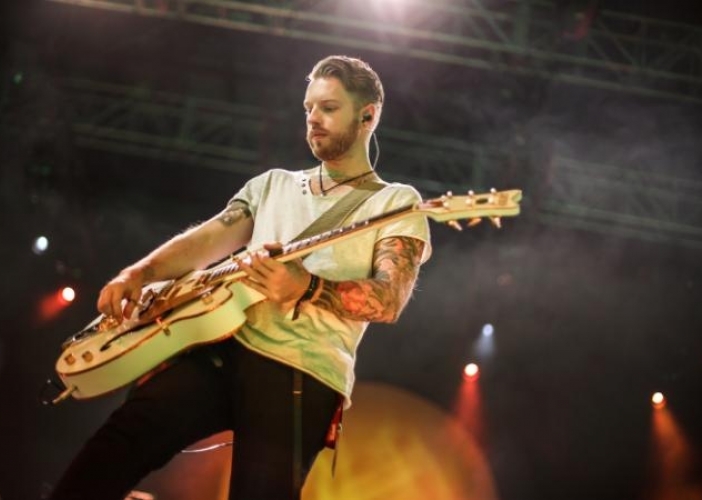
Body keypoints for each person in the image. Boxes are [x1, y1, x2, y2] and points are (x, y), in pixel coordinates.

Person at [49, 55, 431, 500]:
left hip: (301, 369)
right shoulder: (273, 184)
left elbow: (388, 300)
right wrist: (140, 272)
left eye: (328, 108)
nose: (313, 119)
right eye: (308, 108)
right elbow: (209, 239)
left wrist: (307, 287)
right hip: (221, 345)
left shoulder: (397, 202)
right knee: (117, 443)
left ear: (368, 116)